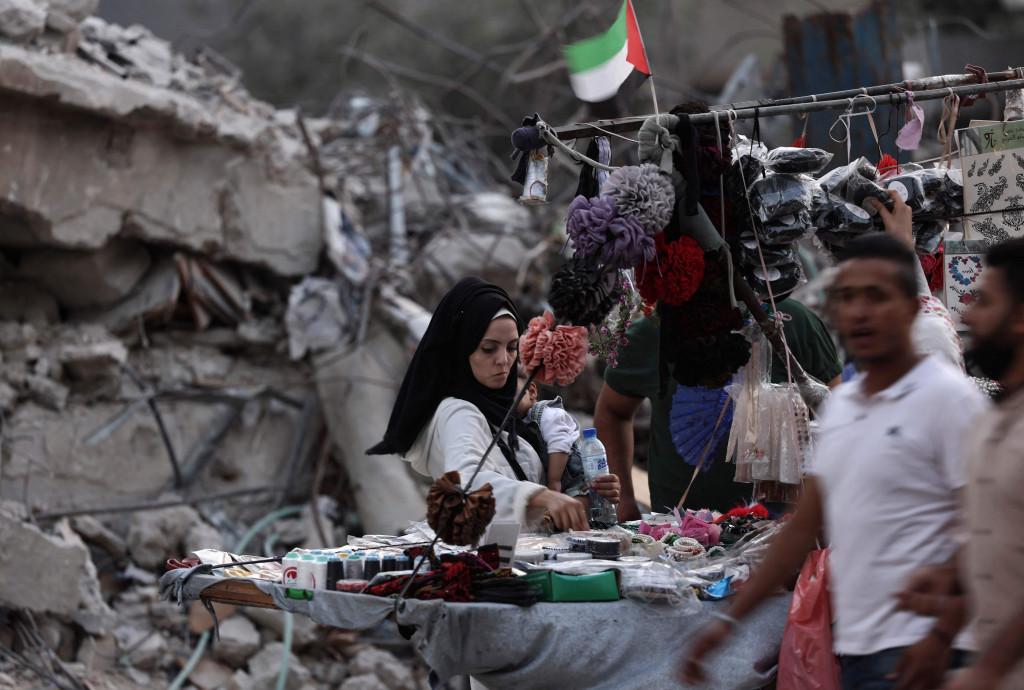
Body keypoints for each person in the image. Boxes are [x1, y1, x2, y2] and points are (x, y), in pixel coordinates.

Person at [680, 234, 988, 690]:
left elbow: (986, 528)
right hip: (862, 648)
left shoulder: (949, 399)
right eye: (847, 298)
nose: (859, 312)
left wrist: (942, 635)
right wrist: (727, 624)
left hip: (932, 651)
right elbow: (804, 526)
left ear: (907, 308)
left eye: (876, 297)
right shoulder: (843, 408)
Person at [368, 276, 620, 532]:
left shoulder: (507, 416)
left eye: (512, 347)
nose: (504, 360)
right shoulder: (458, 412)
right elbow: (465, 480)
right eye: (489, 349)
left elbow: (528, 508)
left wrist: (587, 495)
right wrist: (544, 496)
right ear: (460, 350)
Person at [895, 238, 1024, 689]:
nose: (967, 317)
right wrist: (942, 631)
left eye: (983, 301)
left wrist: (990, 668)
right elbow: (992, 537)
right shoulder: (994, 420)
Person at [594, 295, 842, 519]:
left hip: (783, 529)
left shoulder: (792, 321)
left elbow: (839, 418)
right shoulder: (654, 329)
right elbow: (613, 411)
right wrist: (623, 501)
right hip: (677, 533)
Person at [515, 369, 587, 496]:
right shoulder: (518, 423)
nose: (506, 401)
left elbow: (560, 444)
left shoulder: (547, 415)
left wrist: (554, 481)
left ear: (531, 391)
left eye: (510, 392)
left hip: (574, 482)